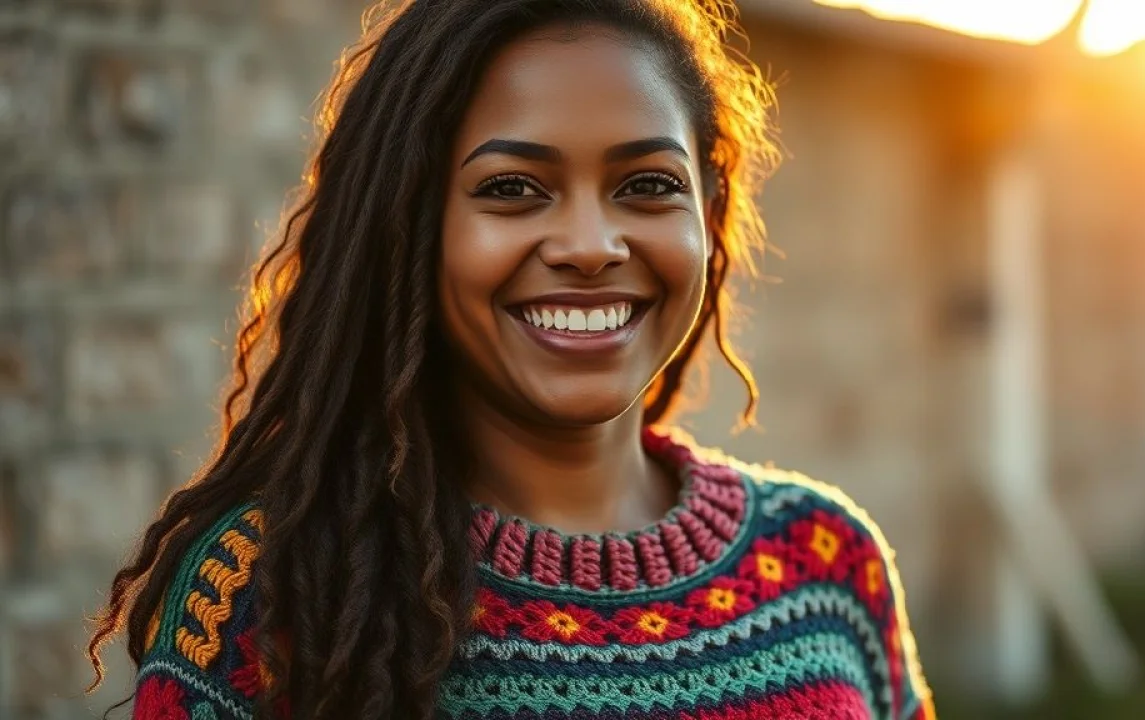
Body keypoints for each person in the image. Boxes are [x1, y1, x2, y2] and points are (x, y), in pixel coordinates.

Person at [87, 0, 935, 717]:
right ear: (411, 226)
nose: (590, 245)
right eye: (511, 189)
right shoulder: (270, 594)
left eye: (646, 184)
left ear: (709, 214)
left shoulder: (825, 560)